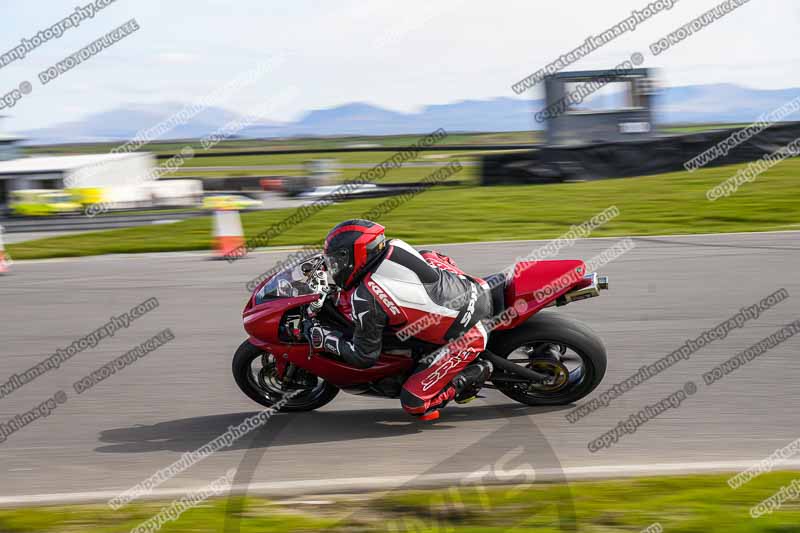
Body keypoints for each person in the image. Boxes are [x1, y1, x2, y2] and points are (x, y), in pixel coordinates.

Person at [303, 219, 494, 420]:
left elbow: (364, 357)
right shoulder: (392, 246)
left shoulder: (367, 298)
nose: (335, 266)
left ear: (356, 255)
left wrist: (323, 337)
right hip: (470, 287)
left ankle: (476, 372)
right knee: (428, 255)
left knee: (414, 402)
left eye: (337, 260)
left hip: (468, 335)